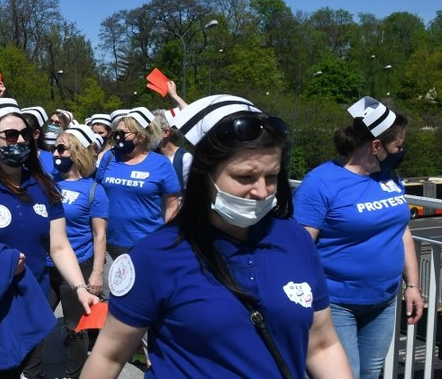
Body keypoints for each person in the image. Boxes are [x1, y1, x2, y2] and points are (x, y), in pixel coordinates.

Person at [82, 94, 352, 378]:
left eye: (271, 177)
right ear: (205, 175)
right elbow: (109, 356)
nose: (261, 191)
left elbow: (321, 345)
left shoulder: (296, 241)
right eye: (244, 178)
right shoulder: (156, 256)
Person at [0, 98, 98, 378]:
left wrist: (80, 289)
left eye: (25, 134)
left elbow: (58, 246)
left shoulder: (45, 186)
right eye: (11, 134)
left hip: (29, 300)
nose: (20, 140)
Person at [293, 96, 422, 378]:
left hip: (384, 300)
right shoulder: (321, 183)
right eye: (398, 146)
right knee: (344, 373)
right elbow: (299, 250)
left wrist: (412, 285)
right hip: (336, 303)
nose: (402, 151)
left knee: (371, 371)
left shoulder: (390, 178)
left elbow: (402, 232)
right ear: (376, 146)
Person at [24, 124, 109, 379]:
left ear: (78, 152)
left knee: (74, 328)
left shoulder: (94, 190)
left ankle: (73, 375)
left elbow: (99, 235)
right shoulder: (47, 184)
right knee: (36, 321)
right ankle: (31, 373)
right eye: (54, 148)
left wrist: (95, 275)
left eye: (61, 148)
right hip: (45, 265)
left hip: (78, 266)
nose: (56, 153)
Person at [96, 107, 180, 259]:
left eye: (123, 134)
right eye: (116, 134)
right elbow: (98, 195)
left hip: (147, 243)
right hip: (108, 244)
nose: (118, 138)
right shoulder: (109, 157)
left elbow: (172, 204)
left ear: (141, 136)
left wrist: (167, 239)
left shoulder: (161, 163)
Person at [153, 80, 191, 191]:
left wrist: (174, 96)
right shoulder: (149, 155)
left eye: (152, 130)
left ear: (166, 132)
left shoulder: (184, 159)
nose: (147, 134)